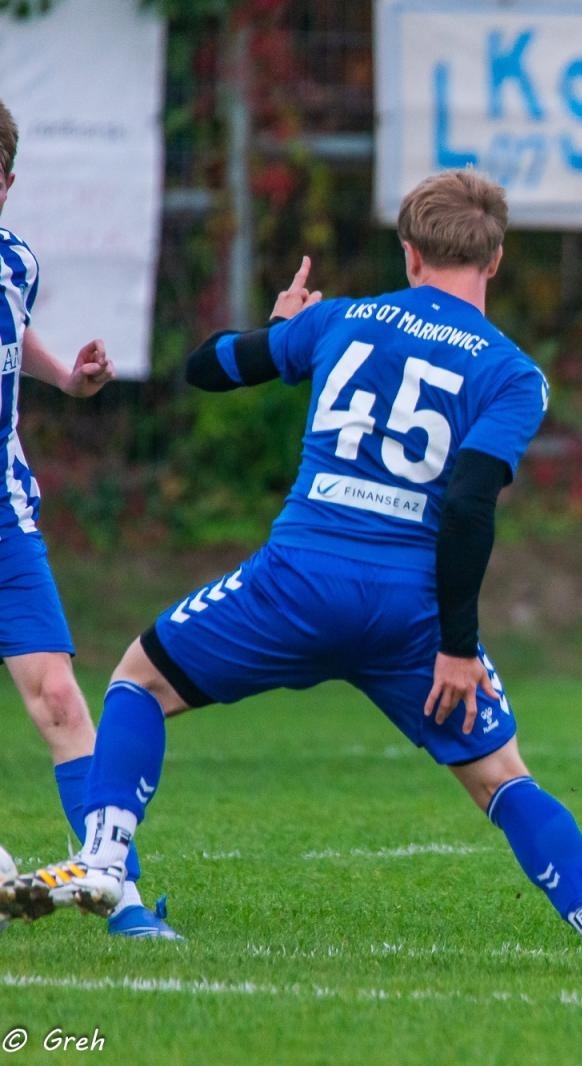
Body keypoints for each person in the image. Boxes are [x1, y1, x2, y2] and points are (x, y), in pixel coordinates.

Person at [0, 169, 582, 975]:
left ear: (409, 252)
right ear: (494, 260)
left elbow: (206, 367)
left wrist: (282, 327)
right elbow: (468, 505)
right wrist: (458, 647)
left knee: (139, 681)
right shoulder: (513, 373)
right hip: (408, 615)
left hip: (295, 583)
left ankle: (106, 859)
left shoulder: (344, 320)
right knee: (502, 779)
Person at [0, 98, 178, 938]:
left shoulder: (16, 261)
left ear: (7, 185)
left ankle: (122, 897)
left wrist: (67, 380)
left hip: (5, 519)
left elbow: (14, 338)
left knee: (61, 698)